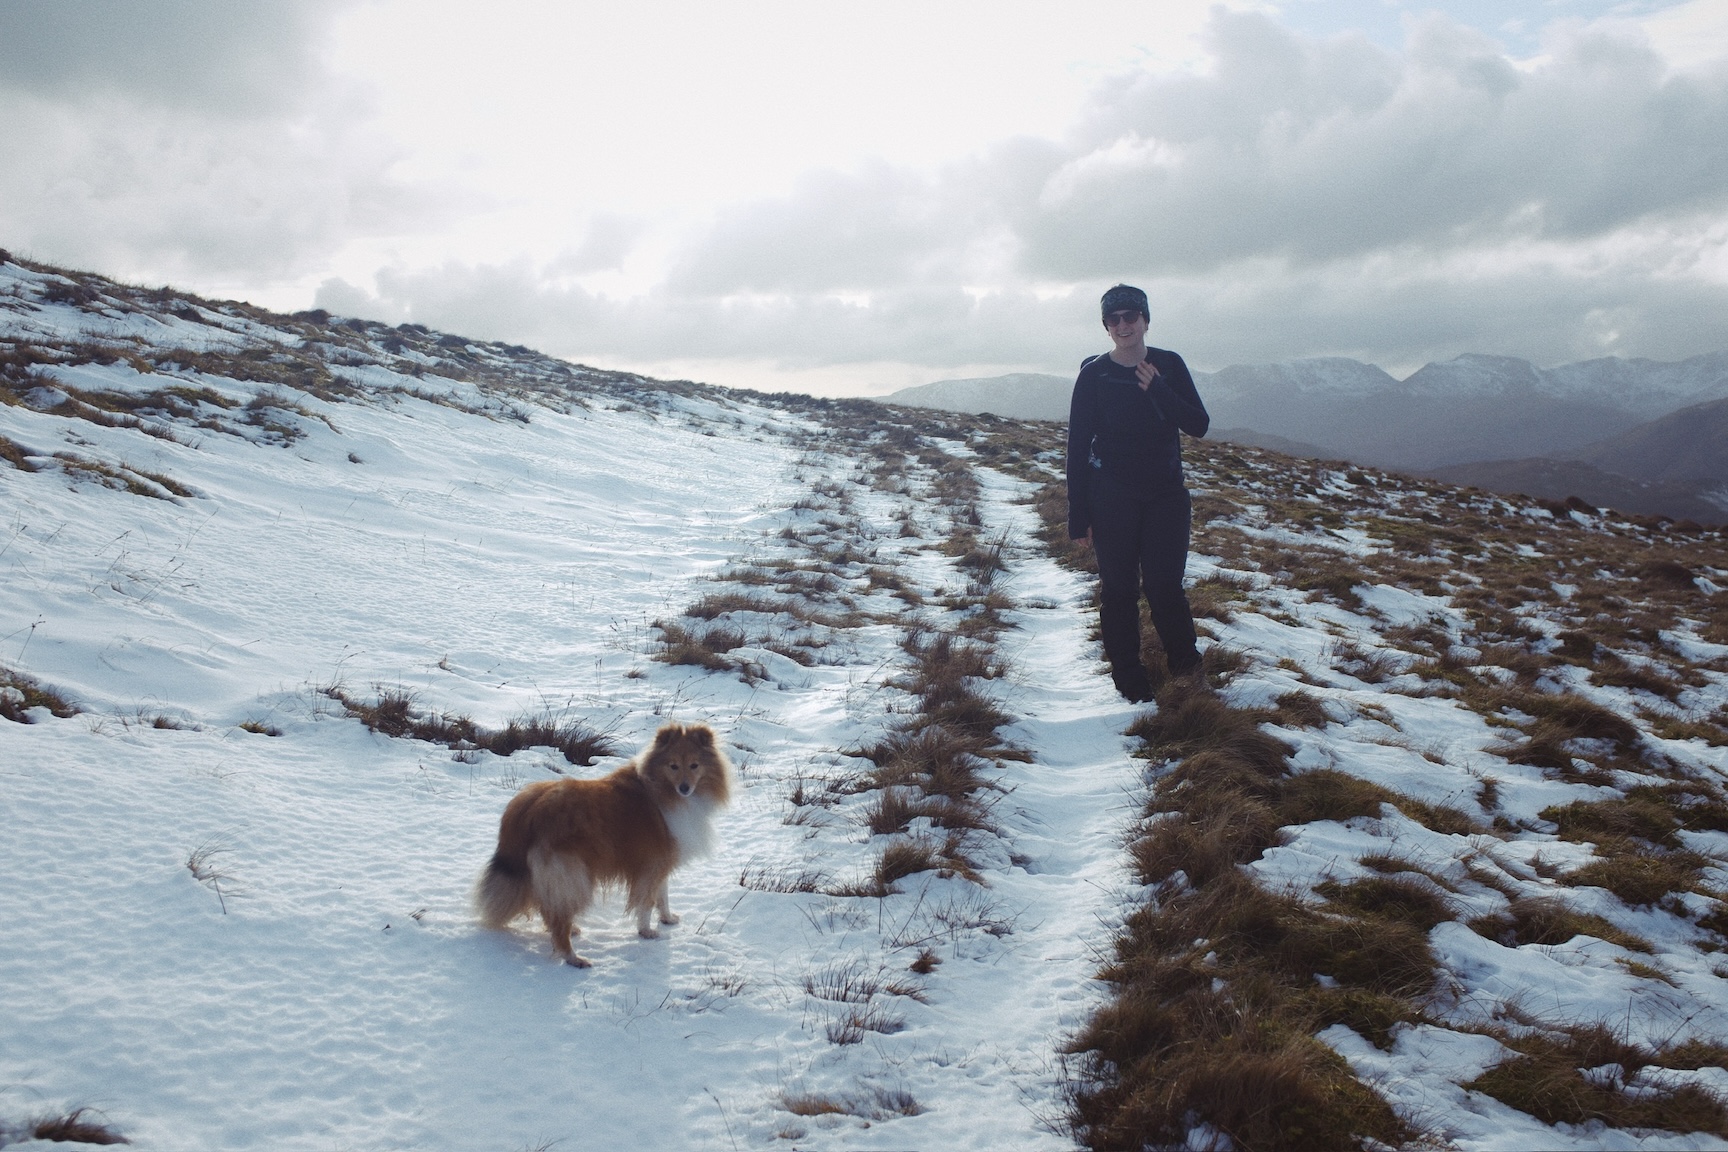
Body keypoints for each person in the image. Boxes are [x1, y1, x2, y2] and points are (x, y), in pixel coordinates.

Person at [1066, 284, 1210, 703]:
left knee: (1166, 587)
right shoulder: (1094, 374)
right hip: (1111, 497)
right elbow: (1077, 446)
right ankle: (1130, 681)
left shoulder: (1167, 364)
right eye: (1114, 319)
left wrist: (1160, 390)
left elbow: (1198, 424)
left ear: (1145, 320)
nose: (1124, 325)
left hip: (1166, 496)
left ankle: (1187, 672)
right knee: (1119, 590)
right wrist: (1079, 512)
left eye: (1131, 316)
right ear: (1106, 327)